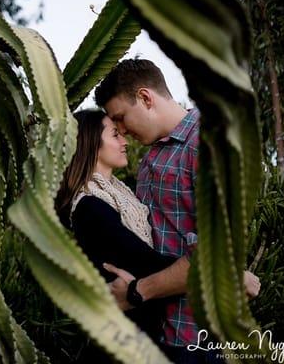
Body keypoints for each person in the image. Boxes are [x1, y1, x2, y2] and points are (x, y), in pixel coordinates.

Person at [93, 58, 260, 363]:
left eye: (120, 117)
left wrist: (137, 291)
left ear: (145, 98)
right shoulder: (148, 162)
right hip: (153, 335)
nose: (120, 130)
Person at [56, 109, 179, 347]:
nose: (125, 141)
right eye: (115, 135)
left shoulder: (120, 196)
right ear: (91, 143)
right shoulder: (89, 208)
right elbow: (150, 265)